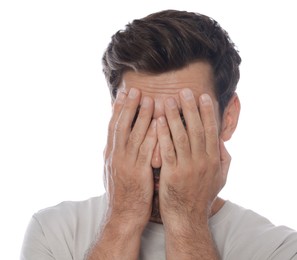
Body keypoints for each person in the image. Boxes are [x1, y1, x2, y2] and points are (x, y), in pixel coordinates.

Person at [20, 9, 297, 260]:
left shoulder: (278, 249)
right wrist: (124, 217)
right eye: (139, 120)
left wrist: (186, 220)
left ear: (228, 119)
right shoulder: (52, 233)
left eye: (183, 123)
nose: (155, 158)